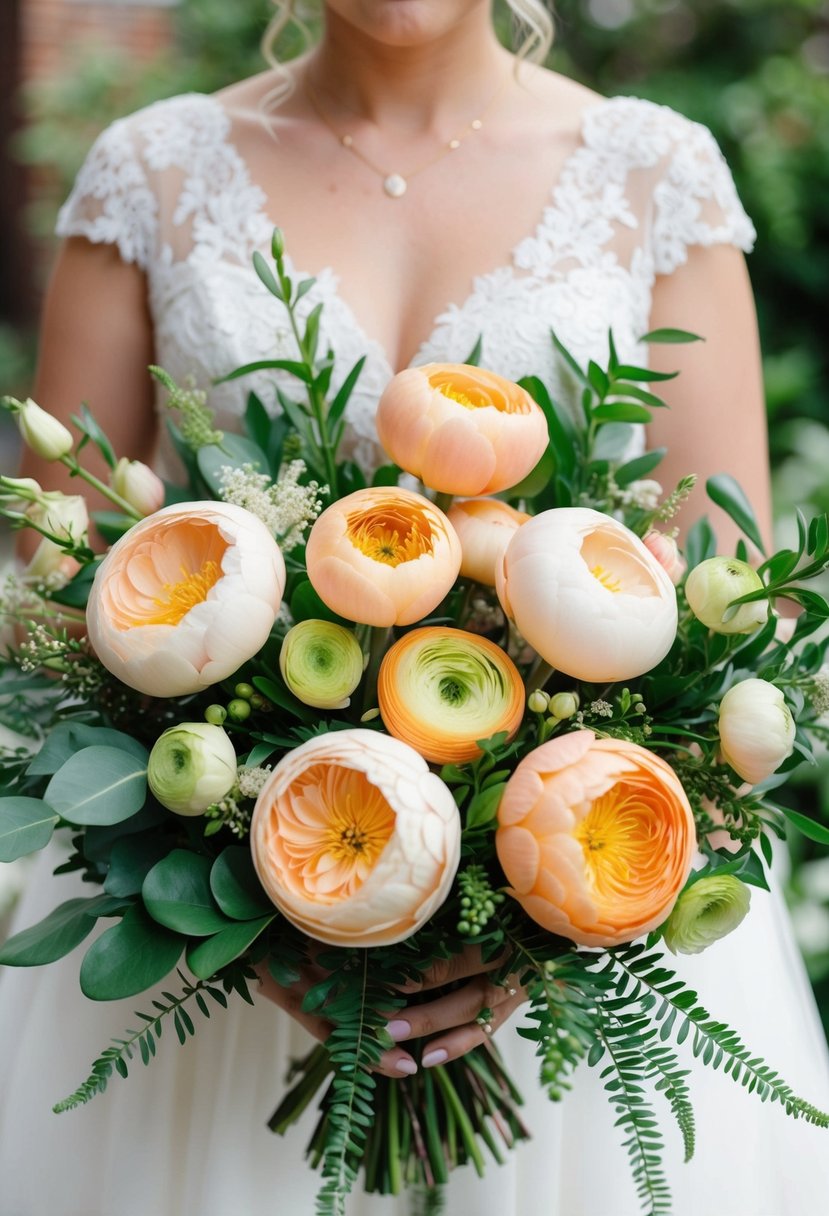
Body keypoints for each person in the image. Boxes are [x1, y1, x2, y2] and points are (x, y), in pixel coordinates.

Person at [1, 1, 828, 1212]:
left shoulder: (654, 175)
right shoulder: (150, 171)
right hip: (208, 983)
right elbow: (46, 595)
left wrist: (548, 920)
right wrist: (242, 894)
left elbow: (731, 617)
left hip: (568, 992)